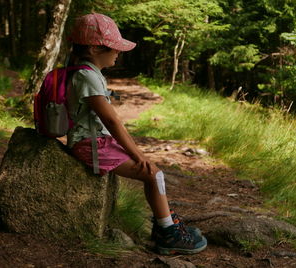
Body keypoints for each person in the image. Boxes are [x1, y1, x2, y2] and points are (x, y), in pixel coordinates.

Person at [66, 13, 207, 255]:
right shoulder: (86, 76)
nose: (118, 52)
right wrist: (138, 154)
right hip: (90, 145)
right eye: (113, 47)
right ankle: (168, 234)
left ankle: (167, 225)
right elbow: (111, 120)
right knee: (153, 174)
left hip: (96, 141)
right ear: (93, 48)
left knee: (155, 174)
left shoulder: (89, 72)